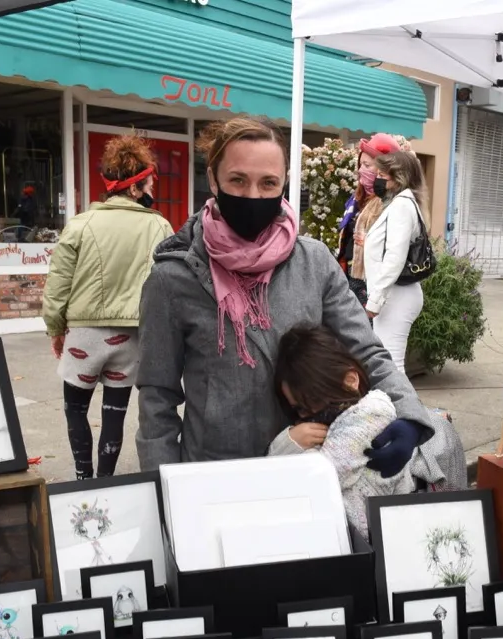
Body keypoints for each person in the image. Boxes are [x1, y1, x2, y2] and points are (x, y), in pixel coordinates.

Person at [136, 116, 432, 474]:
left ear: (284, 182)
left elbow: (366, 351)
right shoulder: (174, 278)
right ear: (213, 179)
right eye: (237, 180)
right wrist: (163, 486)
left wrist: (410, 415)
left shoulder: (313, 262)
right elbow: (157, 398)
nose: (253, 195)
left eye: (268, 183)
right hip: (216, 475)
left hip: (307, 472)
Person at [43, 134, 173, 479]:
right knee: (115, 415)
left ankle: (82, 479)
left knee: (75, 410)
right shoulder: (159, 225)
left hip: (83, 336)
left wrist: (55, 328)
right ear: (134, 187)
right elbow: (168, 284)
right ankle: (105, 482)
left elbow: (58, 283)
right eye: (149, 182)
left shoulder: (80, 224)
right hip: (130, 338)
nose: (151, 188)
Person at [267, 326, 466, 537]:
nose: (311, 414)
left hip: (392, 535)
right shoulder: (336, 423)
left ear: (351, 381)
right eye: (300, 409)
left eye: (315, 400)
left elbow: (319, 478)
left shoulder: (370, 413)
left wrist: (287, 444)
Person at [364, 149, 430, 372]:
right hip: (395, 295)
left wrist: (375, 301)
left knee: (391, 368)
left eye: (382, 175)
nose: (378, 179)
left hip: (395, 296)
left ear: (398, 178)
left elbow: (395, 257)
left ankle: (400, 398)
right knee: (388, 366)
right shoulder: (402, 204)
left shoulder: (401, 205)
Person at [338, 133, 401, 306]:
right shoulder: (356, 200)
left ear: (385, 172)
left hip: (368, 282)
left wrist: (370, 242)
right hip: (348, 275)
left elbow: (394, 249)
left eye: (367, 165)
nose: (360, 170)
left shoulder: (389, 203)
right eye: (360, 164)